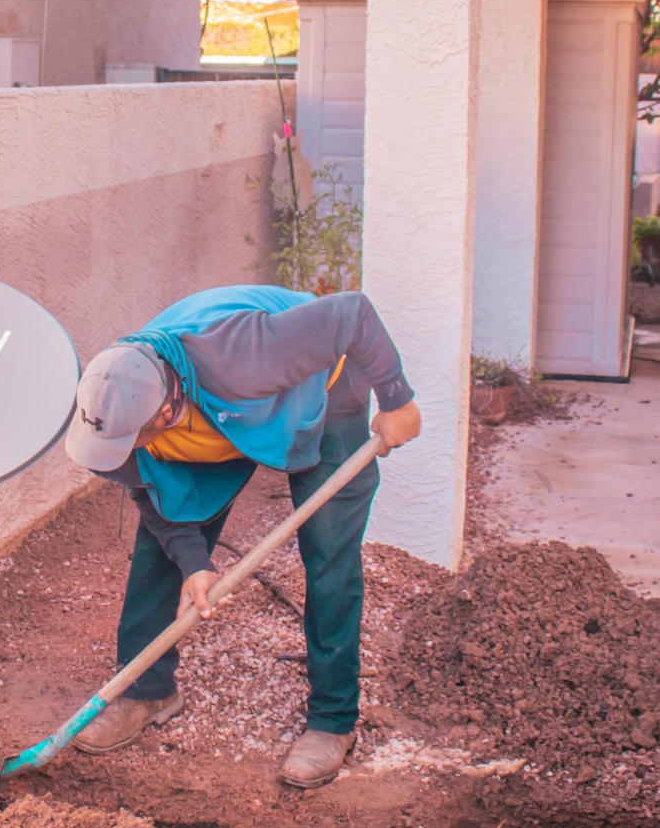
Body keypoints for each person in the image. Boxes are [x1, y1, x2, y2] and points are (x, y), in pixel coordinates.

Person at [62, 284, 421, 789]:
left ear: (164, 413)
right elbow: (156, 502)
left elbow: (353, 313)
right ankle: (146, 691)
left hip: (323, 395)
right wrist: (194, 564)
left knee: (328, 556)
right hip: (219, 418)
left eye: (131, 439)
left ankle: (332, 722)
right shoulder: (115, 399)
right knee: (159, 550)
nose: (121, 450)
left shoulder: (242, 352)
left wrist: (397, 399)